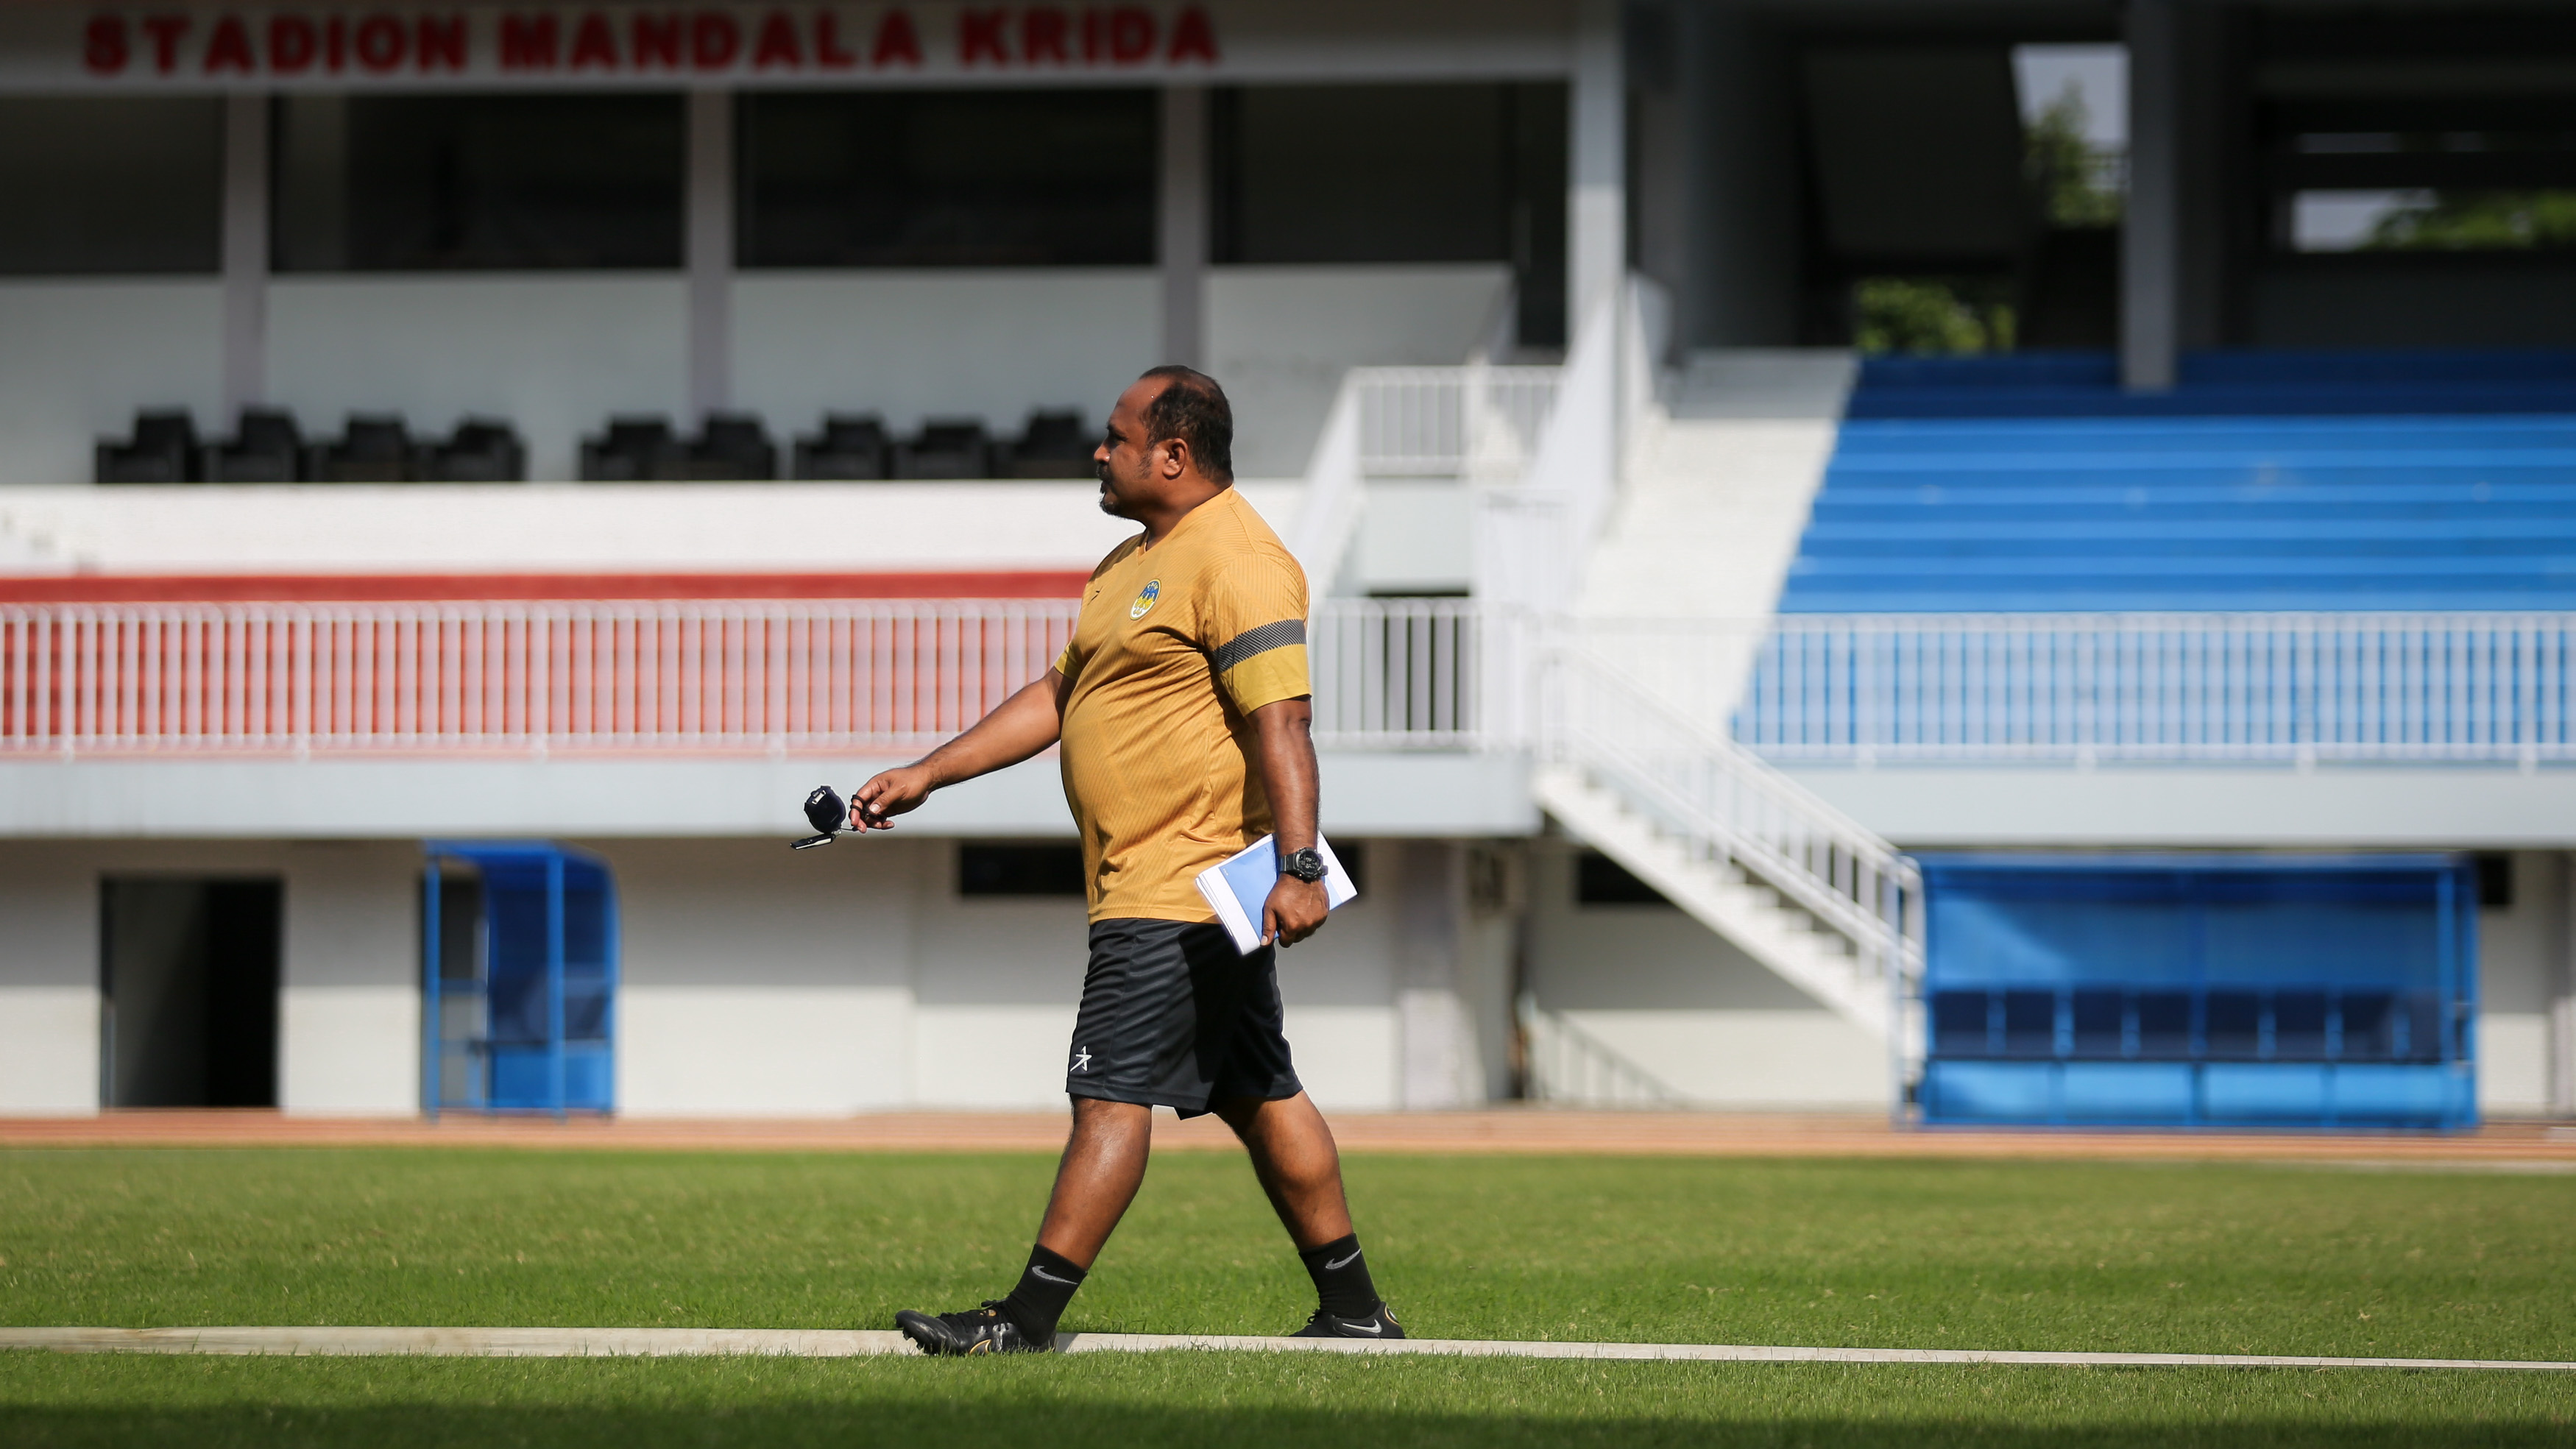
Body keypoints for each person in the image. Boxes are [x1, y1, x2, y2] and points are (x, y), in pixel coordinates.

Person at [843, 365, 1402, 1355]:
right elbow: (1060, 696)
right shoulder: (1127, 565)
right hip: (1168, 887)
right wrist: (930, 771)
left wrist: (1304, 865)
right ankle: (1355, 1309)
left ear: (1173, 455)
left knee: (1108, 1093)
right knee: (1259, 1091)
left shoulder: (1242, 560)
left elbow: (1285, 722)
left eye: (1117, 437)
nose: (1099, 453)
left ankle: (1024, 1319)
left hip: (1176, 888)